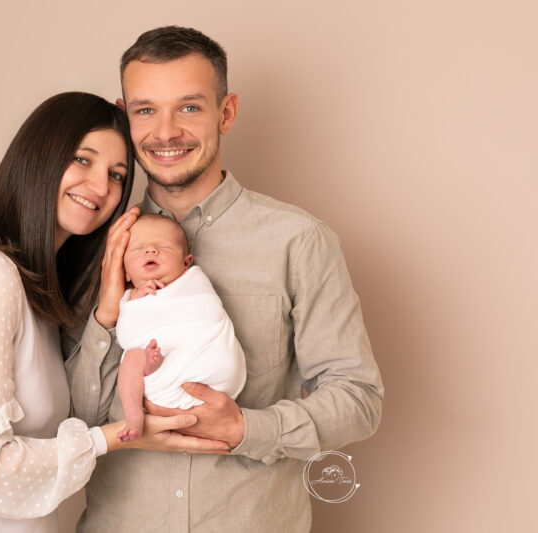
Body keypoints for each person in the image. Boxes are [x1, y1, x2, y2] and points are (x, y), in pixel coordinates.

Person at [64, 28, 385, 532]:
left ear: (227, 112)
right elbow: (73, 416)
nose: (165, 132)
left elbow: (358, 397)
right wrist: (106, 314)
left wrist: (248, 429)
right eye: (146, 110)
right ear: (126, 116)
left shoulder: (299, 240)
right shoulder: (91, 244)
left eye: (189, 107)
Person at [0, 92, 229, 533]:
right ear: (39, 157)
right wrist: (120, 437)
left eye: (116, 175)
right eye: (82, 160)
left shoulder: (32, 286)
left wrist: (109, 312)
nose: (100, 187)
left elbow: (81, 410)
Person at [115, 213, 246, 442]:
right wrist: (136, 301)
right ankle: (134, 413)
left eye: (163, 246)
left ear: (186, 262)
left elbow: (208, 312)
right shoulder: (129, 301)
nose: (150, 251)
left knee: (134, 357)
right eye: (138, 249)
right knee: (132, 357)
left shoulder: (193, 283)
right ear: (125, 271)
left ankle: (150, 364)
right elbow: (128, 335)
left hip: (208, 360)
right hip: (163, 382)